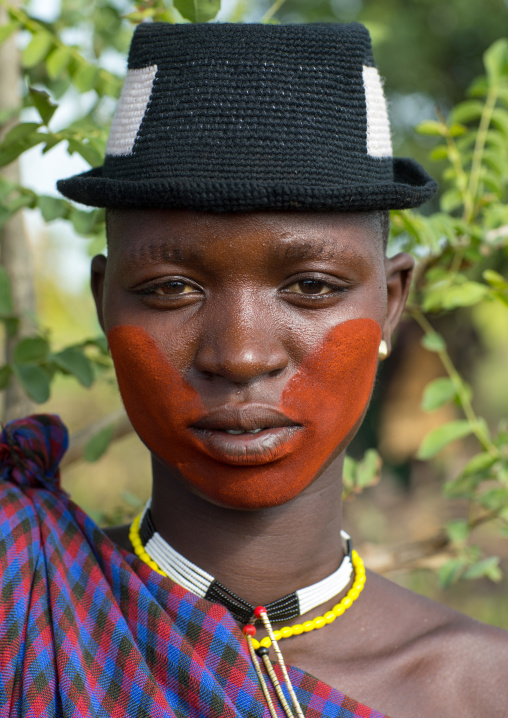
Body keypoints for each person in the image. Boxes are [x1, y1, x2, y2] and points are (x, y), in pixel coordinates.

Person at [1, 21, 507, 718]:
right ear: (103, 302)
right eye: (172, 289)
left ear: (391, 303)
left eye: (313, 287)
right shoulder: (22, 601)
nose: (240, 356)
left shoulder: (483, 690)